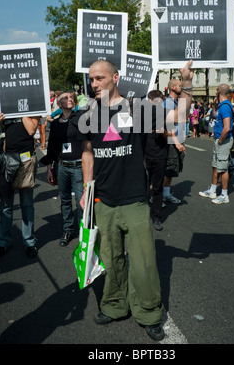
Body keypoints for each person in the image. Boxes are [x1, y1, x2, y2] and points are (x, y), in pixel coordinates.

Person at [78, 59, 194, 342]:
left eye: (100, 78)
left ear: (115, 77)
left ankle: (149, 312)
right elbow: (88, 152)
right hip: (103, 202)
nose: (94, 84)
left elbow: (179, 116)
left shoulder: (137, 109)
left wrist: (187, 83)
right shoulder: (88, 113)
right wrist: (86, 188)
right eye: (91, 79)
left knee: (143, 263)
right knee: (111, 259)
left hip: (134, 201)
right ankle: (115, 305)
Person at [0, 114, 40, 258]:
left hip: (26, 159)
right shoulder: (0, 110)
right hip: (4, 157)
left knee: (27, 204)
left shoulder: (32, 109)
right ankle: (3, 242)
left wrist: (20, 111)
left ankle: (29, 242)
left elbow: (31, 130)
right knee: (5, 204)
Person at [41, 91, 84, 246]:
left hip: (79, 166)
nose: (70, 99)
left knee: (81, 203)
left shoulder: (80, 118)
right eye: (65, 98)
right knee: (65, 200)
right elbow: (52, 147)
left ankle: (84, 234)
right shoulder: (56, 124)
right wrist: (49, 169)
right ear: (59, 104)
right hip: (61, 167)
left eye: (71, 97)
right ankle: (67, 230)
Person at [199, 84, 234, 204]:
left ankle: (224, 195)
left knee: (223, 168)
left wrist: (220, 141)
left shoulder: (225, 107)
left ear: (218, 92)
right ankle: (212, 190)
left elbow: (227, 127)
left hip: (223, 140)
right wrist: (214, 104)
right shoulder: (221, 106)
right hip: (219, 139)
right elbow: (214, 115)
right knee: (215, 166)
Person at [144, 90, 168, 231]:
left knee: (158, 187)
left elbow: (170, 135)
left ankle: (156, 217)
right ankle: (142, 214)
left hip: (160, 154)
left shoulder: (165, 114)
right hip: (144, 154)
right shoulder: (141, 115)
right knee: (143, 186)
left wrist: (163, 131)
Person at [162, 77, 187, 204]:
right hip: (171, 142)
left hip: (176, 141)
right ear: (173, 88)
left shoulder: (175, 103)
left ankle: (165, 194)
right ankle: (157, 196)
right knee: (168, 170)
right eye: (179, 85)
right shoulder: (168, 103)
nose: (181, 87)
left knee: (172, 170)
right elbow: (168, 125)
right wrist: (177, 143)